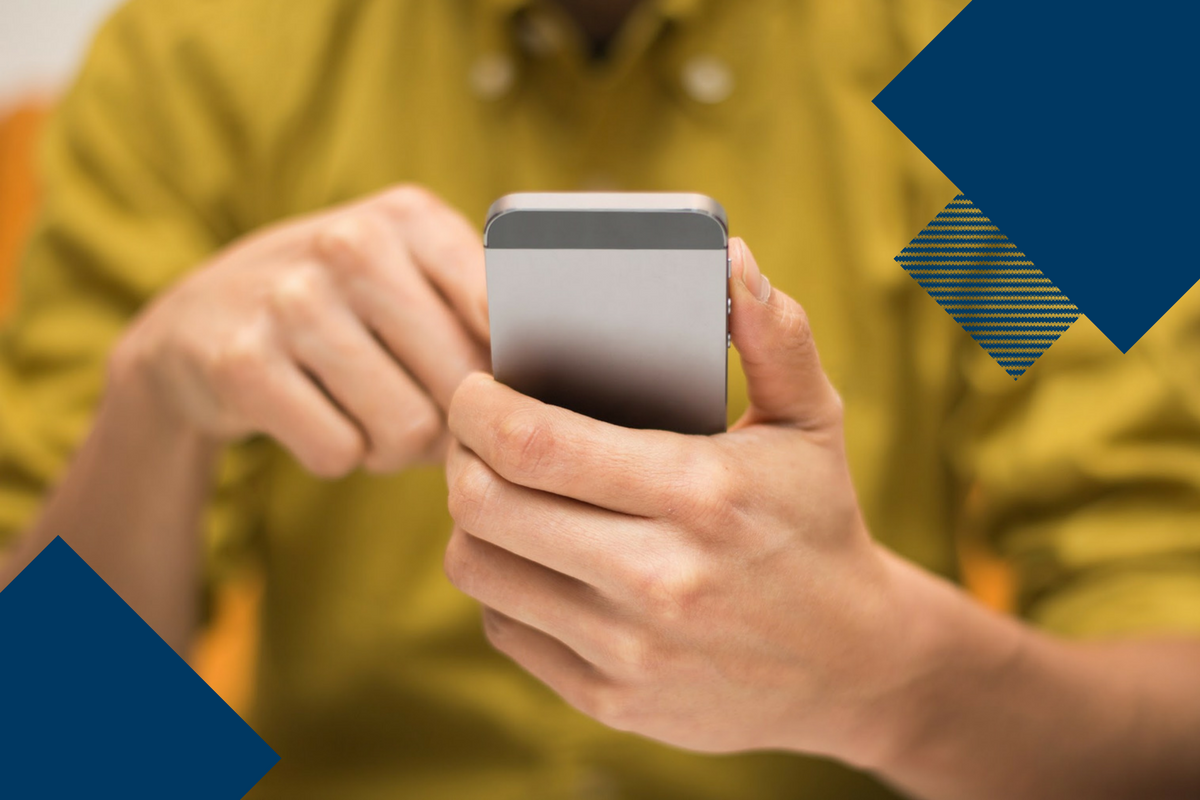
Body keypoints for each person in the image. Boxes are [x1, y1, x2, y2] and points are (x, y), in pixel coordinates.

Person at [1, 0, 1198, 797]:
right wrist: (153, 403)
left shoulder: (1043, 58)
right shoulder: (200, 49)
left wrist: (894, 684)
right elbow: (56, 753)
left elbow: (1170, 701)